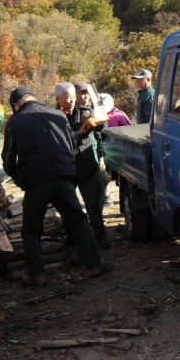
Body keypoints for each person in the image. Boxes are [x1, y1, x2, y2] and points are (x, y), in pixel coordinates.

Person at [2, 87, 106, 286]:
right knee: (78, 222)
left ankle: (37, 274)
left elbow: (8, 159)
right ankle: (94, 264)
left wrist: (19, 179)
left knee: (31, 230)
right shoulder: (58, 115)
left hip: (35, 182)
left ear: (16, 105)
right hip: (63, 177)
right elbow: (71, 146)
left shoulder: (15, 122)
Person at [56, 82, 111, 250]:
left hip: (87, 167)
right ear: (58, 99)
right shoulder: (53, 117)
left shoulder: (84, 112)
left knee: (94, 205)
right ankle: (72, 238)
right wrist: (79, 134)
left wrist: (99, 117)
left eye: (73, 97)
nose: (71, 101)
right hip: (66, 169)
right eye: (67, 98)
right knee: (68, 207)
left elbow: (102, 128)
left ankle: (100, 236)